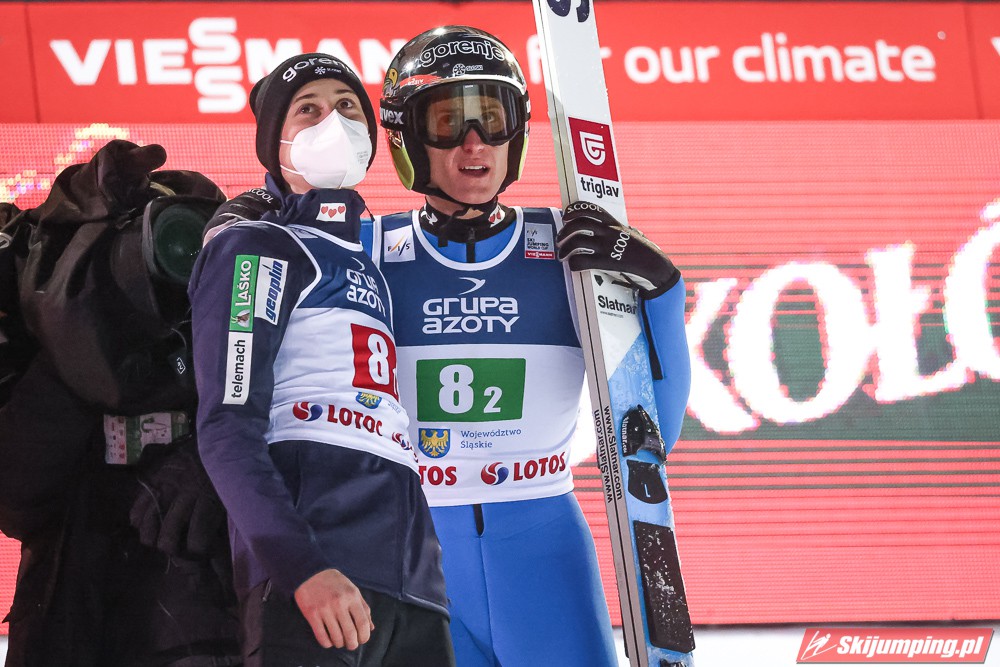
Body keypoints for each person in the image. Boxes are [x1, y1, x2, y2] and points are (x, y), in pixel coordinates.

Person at [373, 25, 692, 666]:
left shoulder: (573, 247)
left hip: (543, 549)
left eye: (492, 120)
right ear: (405, 136)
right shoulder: (368, 249)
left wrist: (663, 290)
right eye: (447, 122)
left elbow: (651, 432)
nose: (474, 144)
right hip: (410, 552)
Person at [188, 53, 454, 667]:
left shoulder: (370, 263)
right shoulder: (255, 247)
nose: (333, 121)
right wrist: (301, 568)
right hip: (316, 575)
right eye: (307, 109)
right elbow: (226, 426)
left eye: (348, 106)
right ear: (273, 142)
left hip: (414, 586)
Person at [0, 140, 240, 666]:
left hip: (202, 616)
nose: (173, 260)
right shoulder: (46, 335)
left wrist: (222, 459)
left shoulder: (236, 348)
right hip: (69, 616)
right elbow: (16, 501)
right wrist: (77, 344)